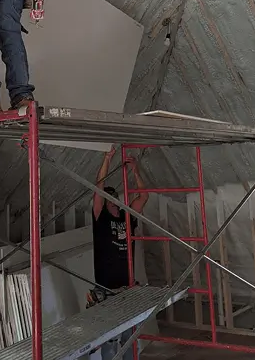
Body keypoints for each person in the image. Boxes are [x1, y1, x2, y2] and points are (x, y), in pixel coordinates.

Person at [91, 146, 149, 360]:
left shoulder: (127, 216)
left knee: (128, 336)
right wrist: (107, 159)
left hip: (127, 286)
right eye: (109, 197)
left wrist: (135, 171)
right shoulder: (101, 219)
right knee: (110, 338)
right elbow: (97, 188)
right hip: (107, 288)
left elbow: (143, 196)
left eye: (114, 196)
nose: (112, 199)